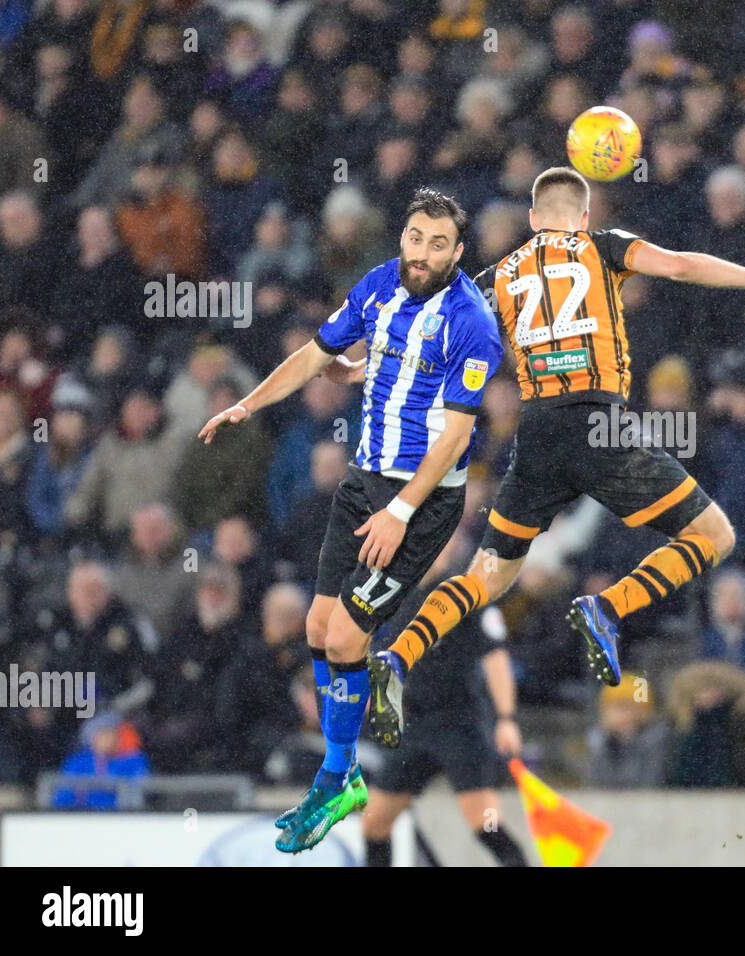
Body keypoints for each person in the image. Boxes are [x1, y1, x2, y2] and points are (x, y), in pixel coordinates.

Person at [358, 166, 745, 747]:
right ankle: (608, 609)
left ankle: (399, 655)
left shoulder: (499, 274)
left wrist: (362, 361)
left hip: (536, 430)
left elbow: (427, 331)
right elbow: (681, 264)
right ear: (584, 217)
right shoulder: (602, 246)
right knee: (713, 536)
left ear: (534, 220)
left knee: (487, 577)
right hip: (598, 424)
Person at [198, 187, 503, 853]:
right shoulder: (377, 286)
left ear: (458, 252)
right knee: (315, 624)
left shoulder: (473, 322)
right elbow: (315, 356)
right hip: (365, 482)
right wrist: (246, 406)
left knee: (342, 638)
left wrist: (401, 511)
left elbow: (453, 438)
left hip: (418, 502)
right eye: (414, 238)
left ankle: (340, 774)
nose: (421, 252)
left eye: (437, 243)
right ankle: (340, 767)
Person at [358, 547, 526, 867]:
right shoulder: (406, 598)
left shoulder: (468, 593)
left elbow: (495, 656)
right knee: (375, 821)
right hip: (415, 725)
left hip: (459, 725)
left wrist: (506, 718)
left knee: (484, 823)